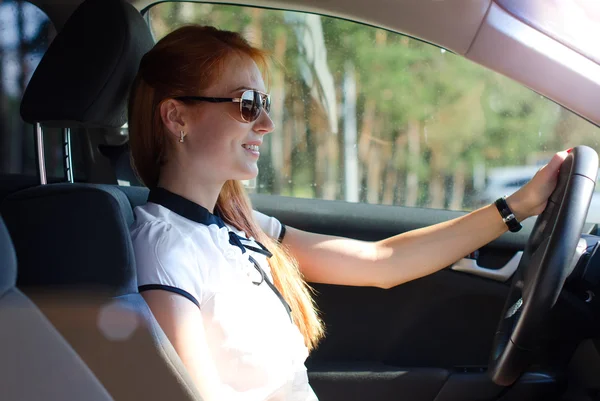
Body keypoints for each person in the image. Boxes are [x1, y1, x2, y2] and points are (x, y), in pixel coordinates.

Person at [127, 25, 567, 401]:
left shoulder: (237, 227)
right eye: (247, 104)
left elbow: (383, 262)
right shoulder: (165, 248)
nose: (265, 124)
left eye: (265, 105)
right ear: (176, 117)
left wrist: (519, 206)